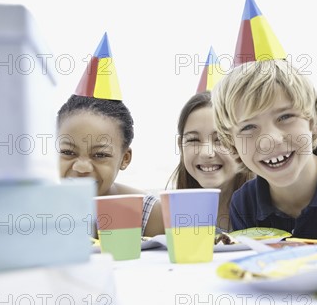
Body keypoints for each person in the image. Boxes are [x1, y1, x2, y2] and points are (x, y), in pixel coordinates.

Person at [213, 59, 317, 238]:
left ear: (314, 122)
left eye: (285, 116)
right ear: (232, 144)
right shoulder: (244, 203)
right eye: (248, 127)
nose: (270, 140)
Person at [58, 33, 164, 237]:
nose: (81, 167)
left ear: (125, 158)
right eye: (68, 152)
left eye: (99, 155)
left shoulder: (151, 215)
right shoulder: (36, 213)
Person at [166, 91, 253, 232]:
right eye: (193, 140)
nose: (207, 153)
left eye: (220, 139)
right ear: (180, 146)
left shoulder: (272, 210)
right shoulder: (170, 215)